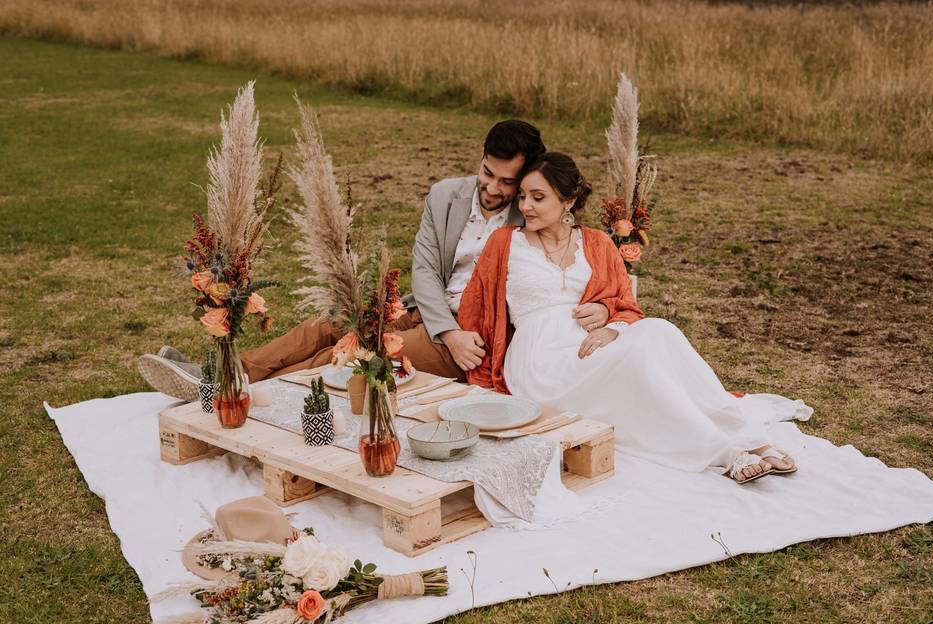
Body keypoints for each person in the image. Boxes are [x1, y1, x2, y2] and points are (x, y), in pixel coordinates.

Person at [138, 121, 613, 400]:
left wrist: (607, 313)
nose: (493, 189)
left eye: (507, 182)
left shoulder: (531, 216)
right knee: (330, 320)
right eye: (487, 173)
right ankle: (230, 372)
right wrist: (441, 324)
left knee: (351, 350)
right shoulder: (446, 196)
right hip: (431, 308)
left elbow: (572, 278)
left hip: (471, 332)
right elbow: (425, 267)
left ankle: (234, 391)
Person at [457, 152, 812, 484]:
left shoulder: (594, 242)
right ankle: (722, 451)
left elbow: (625, 304)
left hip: (590, 342)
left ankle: (748, 435)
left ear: (566, 202)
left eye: (538, 197)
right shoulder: (505, 243)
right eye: (522, 196)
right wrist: (459, 342)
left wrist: (609, 320)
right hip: (542, 364)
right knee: (638, 363)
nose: (525, 206)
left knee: (660, 331)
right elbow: (476, 303)